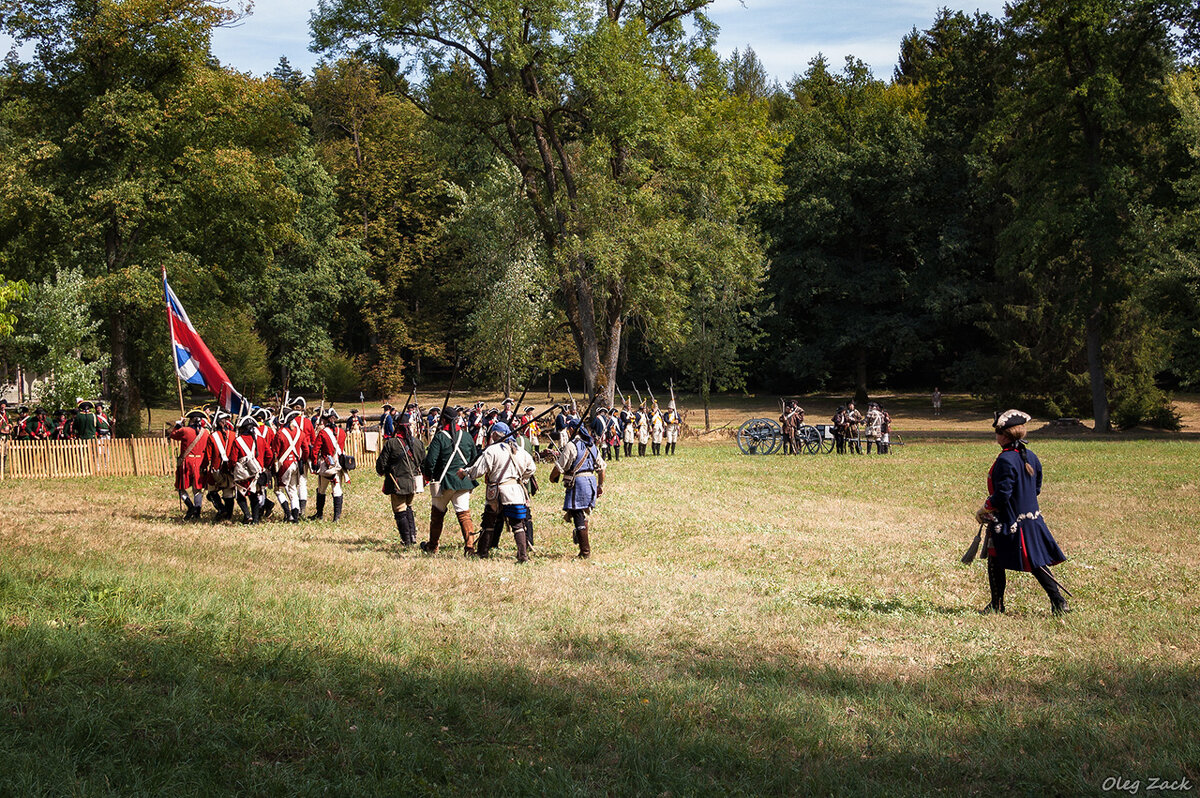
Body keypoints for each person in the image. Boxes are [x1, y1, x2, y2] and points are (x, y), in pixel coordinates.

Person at [976, 410, 1070, 615]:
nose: (996, 436)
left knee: (997, 559)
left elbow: (1002, 495)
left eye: (998, 432)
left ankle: (997, 605)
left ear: (1004, 435)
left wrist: (984, 508)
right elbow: (1036, 488)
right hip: (1030, 518)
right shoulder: (1030, 456)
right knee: (1033, 561)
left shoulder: (1006, 459)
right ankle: (1058, 602)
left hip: (1008, 520)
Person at [459, 422, 537, 563]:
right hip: (514, 492)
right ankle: (522, 556)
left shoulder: (492, 450)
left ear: (495, 434)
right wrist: (521, 478)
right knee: (517, 525)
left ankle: (483, 552)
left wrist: (465, 472)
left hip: (496, 492)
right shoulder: (519, 450)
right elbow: (531, 468)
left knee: (489, 523)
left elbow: (478, 471)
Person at [419, 409, 479, 555]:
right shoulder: (466, 436)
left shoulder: (440, 437)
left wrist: (427, 476)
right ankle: (470, 547)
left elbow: (430, 461)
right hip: (463, 481)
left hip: (444, 483)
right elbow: (474, 458)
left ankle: (433, 546)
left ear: (444, 420)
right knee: (464, 515)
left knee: (437, 515)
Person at [550, 419, 606, 557]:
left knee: (578, 514)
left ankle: (585, 551)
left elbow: (560, 466)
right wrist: (600, 485)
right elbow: (602, 468)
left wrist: (552, 477)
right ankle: (581, 540)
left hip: (579, 482)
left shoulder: (571, 445)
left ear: (571, 430)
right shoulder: (591, 445)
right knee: (583, 514)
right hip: (591, 481)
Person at [375, 409, 427, 544]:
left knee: (400, 510)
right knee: (408, 506)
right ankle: (413, 536)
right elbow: (423, 463)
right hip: (413, 482)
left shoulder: (392, 443)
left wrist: (383, 471)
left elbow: (381, 464)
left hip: (398, 482)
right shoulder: (418, 443)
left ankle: (407, 540)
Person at [311, 408, 352, 522]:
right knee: (337, 490)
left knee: (321, 490)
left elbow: (315, 450)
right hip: (339, 465)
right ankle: (336, 518)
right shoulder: (342, 432)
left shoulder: (323, 433)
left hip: (327, 465)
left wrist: (315, 464)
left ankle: (319, 515)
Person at [170, 409, 211, 520]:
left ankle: (190, 507)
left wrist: (179, 424)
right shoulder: (206, 432)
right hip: (200, 463)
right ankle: (197, 512)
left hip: (186, 462)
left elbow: (173, 435)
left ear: (191, 420)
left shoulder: (185, 430)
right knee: (197, 489)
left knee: (181, 487)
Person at [271, 408, 309, 524]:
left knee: (278, 490)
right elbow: (306, 450)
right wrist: (303, 460)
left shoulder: (280, 433)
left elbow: (275, 452)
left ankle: (288, 514)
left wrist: (274, 467)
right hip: (296, 464)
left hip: (285, 465)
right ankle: (295, 517)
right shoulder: (300, 433)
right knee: (293, 490)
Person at [204, 410, 237, 521]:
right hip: (230, 468)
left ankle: (222, 510)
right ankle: (228, 516)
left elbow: (208, 455)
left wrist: (204, 466)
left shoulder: (212, 436)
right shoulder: (233, 435)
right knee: (228, 492)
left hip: (216, 468)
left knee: (212, 491)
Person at [232, 416, 265, 525]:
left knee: (240, 495)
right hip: (257, 471)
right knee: (254, 496)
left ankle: (247, 515)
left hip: (244, 474)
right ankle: (255, 520)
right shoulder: (260, 439)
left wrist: (232, 469)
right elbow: (268, 455)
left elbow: (233, 459)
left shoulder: (238, 441)